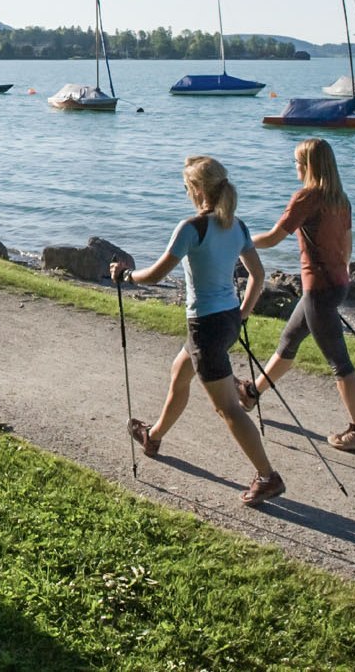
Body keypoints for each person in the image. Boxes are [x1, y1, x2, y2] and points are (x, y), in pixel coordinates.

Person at [110, 155, 285, 506]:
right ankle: (153, 435)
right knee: (179, 374)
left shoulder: (192, 227)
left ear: (198, 189)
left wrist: (126, 275)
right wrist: (243, 313)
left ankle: (268, 476)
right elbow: (258, 276)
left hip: (205, 327)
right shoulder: (237, 226)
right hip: (226, 321)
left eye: (187, 186)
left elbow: (157, 275)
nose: (186, 192)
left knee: (228, 409)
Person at [243, 137, 355, 451]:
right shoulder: (340, 199)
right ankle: (252, 394)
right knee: (288, 341)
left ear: (309, 166)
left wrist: (240, 241)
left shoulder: (306, 198)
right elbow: (347, 246)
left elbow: (274, 237)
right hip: (336, 284)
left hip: (319, 290)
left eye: (298, 162)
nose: (296, 168)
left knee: (339, 362)